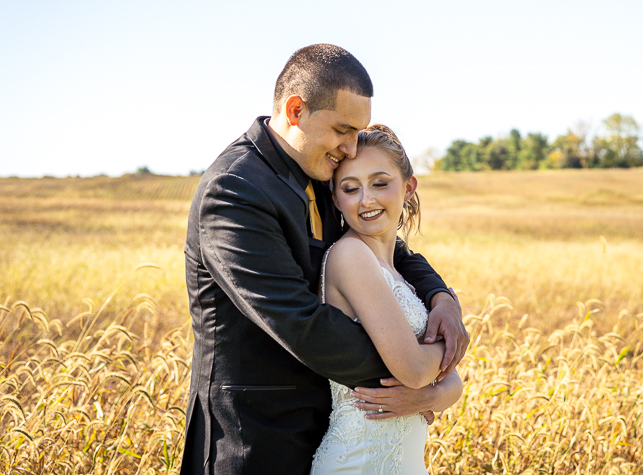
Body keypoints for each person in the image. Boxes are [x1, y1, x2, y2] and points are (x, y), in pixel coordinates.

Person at [180, 44, 468, 475]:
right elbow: (299, 321)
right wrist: (420, 371)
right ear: (296, 110)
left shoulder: (325, 174)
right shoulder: (236, 189)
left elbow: (391, 250)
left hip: (328, 430)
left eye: (358, 133)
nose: (351, 148)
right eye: (342, 129)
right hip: (254, 438)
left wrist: (441, 297)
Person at [310, 124, 463, 474]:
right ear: (335, 198)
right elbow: (412, 369)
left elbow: (446, 384)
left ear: (408, 188)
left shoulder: (398, 271)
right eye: (351, 188)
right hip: (360, 461)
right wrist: (448, 345)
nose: (367, 199)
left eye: (380, 183)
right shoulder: (350, 256)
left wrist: (434, 394)